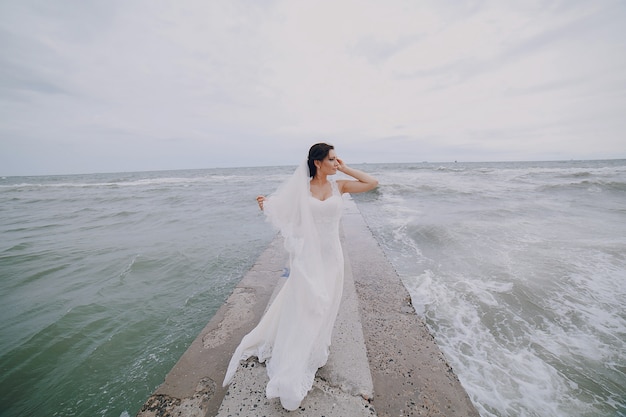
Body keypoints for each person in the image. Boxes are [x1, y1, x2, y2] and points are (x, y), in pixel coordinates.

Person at [222, 143, 378, 410]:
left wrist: (345, 166)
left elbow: (372, 182)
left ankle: (314, 348)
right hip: (307, 258)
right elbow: (281, 211)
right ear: (317, 162)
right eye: (331, 159)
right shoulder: (301, 189)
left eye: (335, 159)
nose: (335, 163)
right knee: (308, 306)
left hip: (332, 258)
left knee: (325, 306)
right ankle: (295, 358)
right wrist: (265, 206)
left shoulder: (340, 186)